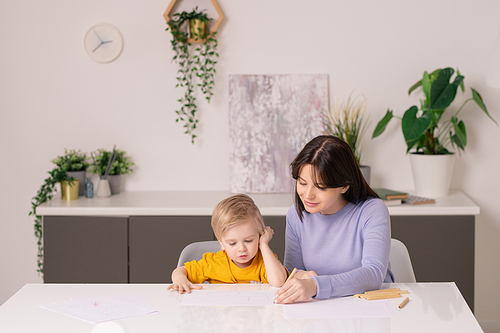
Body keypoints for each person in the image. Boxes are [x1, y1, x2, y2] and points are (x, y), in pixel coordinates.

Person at [274, 135, 394, 304]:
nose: (308, 195)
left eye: (320, 187)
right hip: (322, 309)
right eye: (302, 183)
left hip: (371, 307)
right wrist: (301, 276)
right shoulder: (296, 215)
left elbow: (373, 273)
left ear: (344, 185)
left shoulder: (371, 210)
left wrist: (315, 286)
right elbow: (294, 271)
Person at [168, 194, 288, 294]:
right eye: (232, 243)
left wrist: (264, 245)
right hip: (225, 319)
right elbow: (179, 271)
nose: (241, 248)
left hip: (253, 318)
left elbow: (279, 281)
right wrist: (179, 279)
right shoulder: (213, 263)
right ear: (221, 243)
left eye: (248, 241)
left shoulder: (265, 261)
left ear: (259, 237)